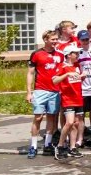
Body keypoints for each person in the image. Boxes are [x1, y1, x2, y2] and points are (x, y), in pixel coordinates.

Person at [26, 30, 64, 158]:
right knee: (38, 118)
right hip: (40, 90)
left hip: (55, 91)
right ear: (46, 40)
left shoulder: (60, 55)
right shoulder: (37, 54)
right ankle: (33, 146)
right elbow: (30, 73)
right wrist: (29, 92)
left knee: (52, 117)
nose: (55, 42)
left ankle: (48, 144)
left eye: (56, 39)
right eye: (52, 39)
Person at [51, 44, 84, 160]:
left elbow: (75, 80)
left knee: (75, 123)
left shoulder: (76, 66)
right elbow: (54, 80)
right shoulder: (62, 66)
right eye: (76, 53)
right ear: (69, 55)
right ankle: (60, 146)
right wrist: (66, 74)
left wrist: (82, 77)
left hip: (78, 98)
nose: (78, 55)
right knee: (69, 122)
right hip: (68, 99)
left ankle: (72, 147)